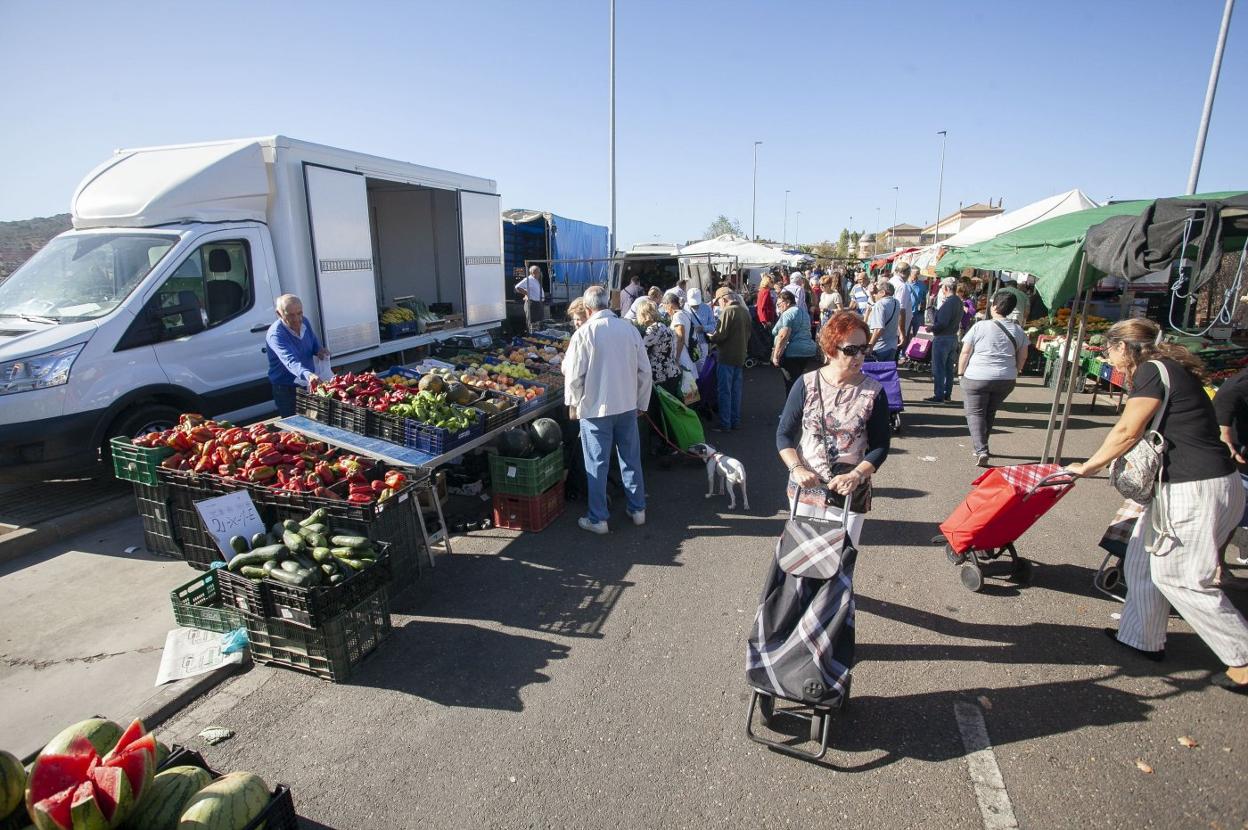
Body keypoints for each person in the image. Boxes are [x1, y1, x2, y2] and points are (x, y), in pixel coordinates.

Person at [1065, 319, 1248, 692]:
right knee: (1141, 559)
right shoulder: (1169, 367)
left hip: (1194, 488)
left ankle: (1242, 658)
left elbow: (1128, 430)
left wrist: (1088, 466)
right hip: (1193, 485)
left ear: (1124, 347)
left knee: (1179, 575)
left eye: (1109, 349)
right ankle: (1141, 638)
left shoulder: (1152, 370)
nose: (1108, 358)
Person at [776, 311, 892, 546]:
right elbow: (784, 434)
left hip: (850, 488)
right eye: (851, 350)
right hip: (806, 486)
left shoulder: (873, 392)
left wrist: (856, 475)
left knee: (838, 563)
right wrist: (797, 468)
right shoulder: (806, 383)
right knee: (804, 558)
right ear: (831, 349)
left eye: (864, 348)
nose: (859, 355)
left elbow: (881, 445)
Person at [562, 286, 652, 534]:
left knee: (597, 465)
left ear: (588, 309)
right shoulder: (629, 329)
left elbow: (573, 376)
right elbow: (645, 371)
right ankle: (637, 509)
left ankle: (598, 518)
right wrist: (642, 403)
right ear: (609, 304)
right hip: (626, 405)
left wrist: (573, 403)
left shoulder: (583, 334)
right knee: (630, 459)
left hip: (594, 410)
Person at [957, 290, 1028, 466]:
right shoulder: (1019, 330)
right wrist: (1016, 370)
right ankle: (982, 445)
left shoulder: (980, 326)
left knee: (975, 413)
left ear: (994, 306)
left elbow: (965, 352)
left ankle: (981, 450)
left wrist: (960, 373)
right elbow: (1023, 356)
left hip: (977, 376)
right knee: (989, 412)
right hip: (1006, 378)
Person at [266, 294, 330, 417]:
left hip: (307, 385)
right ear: (279, 314)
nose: (297, 319)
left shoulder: (304, 321)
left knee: (314, 423)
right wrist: (309, 375)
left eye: (299, 313)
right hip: (286, 389)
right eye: (290, 315)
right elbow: (290, 361)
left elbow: (312, 341)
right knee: (295, 430)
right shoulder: (276, 334)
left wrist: (319, 350)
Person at [632, 298, 682, 457]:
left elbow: (639, 352)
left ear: (644, 314)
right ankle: (673, 443)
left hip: (659, 377)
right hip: (672, 373)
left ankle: (664, 445)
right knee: (669, 411)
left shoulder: (652, 330)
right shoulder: (665, 327)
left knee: (658, 412)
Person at [707, 287, 752, 432]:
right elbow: (749, 334)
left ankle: (725, 423)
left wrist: (710, 337)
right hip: (740, 356)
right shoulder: (745, 312)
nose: (718, 304)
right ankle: (735, 421)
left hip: (726, 356)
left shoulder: (727, 312)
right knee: (736, 391)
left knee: (724, 391)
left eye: (718, 301)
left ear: (724, 299)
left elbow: (720, 336)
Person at [925, 277, 965, 404]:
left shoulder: (950, 302)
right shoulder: (958, 301)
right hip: (953, 337)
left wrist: (932, 328)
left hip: (943, 338)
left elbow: (942, 323)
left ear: (946, 288)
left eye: (942, 287)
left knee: (939, 368)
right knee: (948, 368)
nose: (941, 289)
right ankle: (947, 394)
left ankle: (939, 395)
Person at [771, 289, 818, 394]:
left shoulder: (788, 313)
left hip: (792, 351)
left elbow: (783, 335)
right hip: (807, 350)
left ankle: (792, 409)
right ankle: (798, 407)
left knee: (791, 384)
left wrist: (776, 355)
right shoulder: (803, 312)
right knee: (796, 381)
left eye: (779, 304)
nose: (778, 307)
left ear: (787, 302)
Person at [865, 279, 902, 362]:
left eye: (876, 292)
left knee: (875, 373)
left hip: (879, 347)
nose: (875, 294)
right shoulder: (896, 302)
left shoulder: (880, 304)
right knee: (886, 373)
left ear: (883, 292)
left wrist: (870, 345)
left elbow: (879, 328)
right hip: (892, 345)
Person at [514, 266, 547, 333]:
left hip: (538, 304)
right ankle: (531, 337)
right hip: (532, 304)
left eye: (539, 272)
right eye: (537, 272)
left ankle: (539, 337)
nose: (539, 274)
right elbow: (517, 287)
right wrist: (526, 293)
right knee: (532, 323)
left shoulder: (536, 280)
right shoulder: (529, 279)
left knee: (539, 322)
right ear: (532, 273)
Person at [889, 263, 914, 341]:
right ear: (907, 273)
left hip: (890, 324)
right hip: (897, 328)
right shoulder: (902, 286)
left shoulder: (891, 281)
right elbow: (900, 309)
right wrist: (902, 333)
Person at [907, 269, 929, 339]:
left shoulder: (922, 285)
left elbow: (924, 298)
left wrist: (923, 308)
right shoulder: (905, 284)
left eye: (918, 273)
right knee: (905, 335)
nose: (918, 275)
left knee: (919, 335)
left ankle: (916, 349)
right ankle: (904, 349)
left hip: (918, 314)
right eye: (916, 273)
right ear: (910, 273)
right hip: (907, 313)